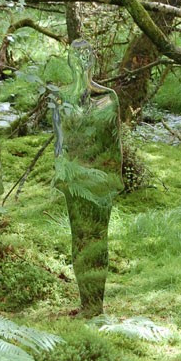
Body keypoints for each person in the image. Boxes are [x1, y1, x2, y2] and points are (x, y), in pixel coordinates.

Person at [52, 40, 123, 317]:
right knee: (80, 240)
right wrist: (62, 177)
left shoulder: (109, 98)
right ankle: (86, 304)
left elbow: (114, 144)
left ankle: (97, 305)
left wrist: (114, 180)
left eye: (86, 55)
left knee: (99, 241)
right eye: (76, 56)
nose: (82, 61)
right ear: (69, 61)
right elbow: (60, 146)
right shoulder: (59, 98)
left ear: (94, 60)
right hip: (76, 184)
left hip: (102, 184)